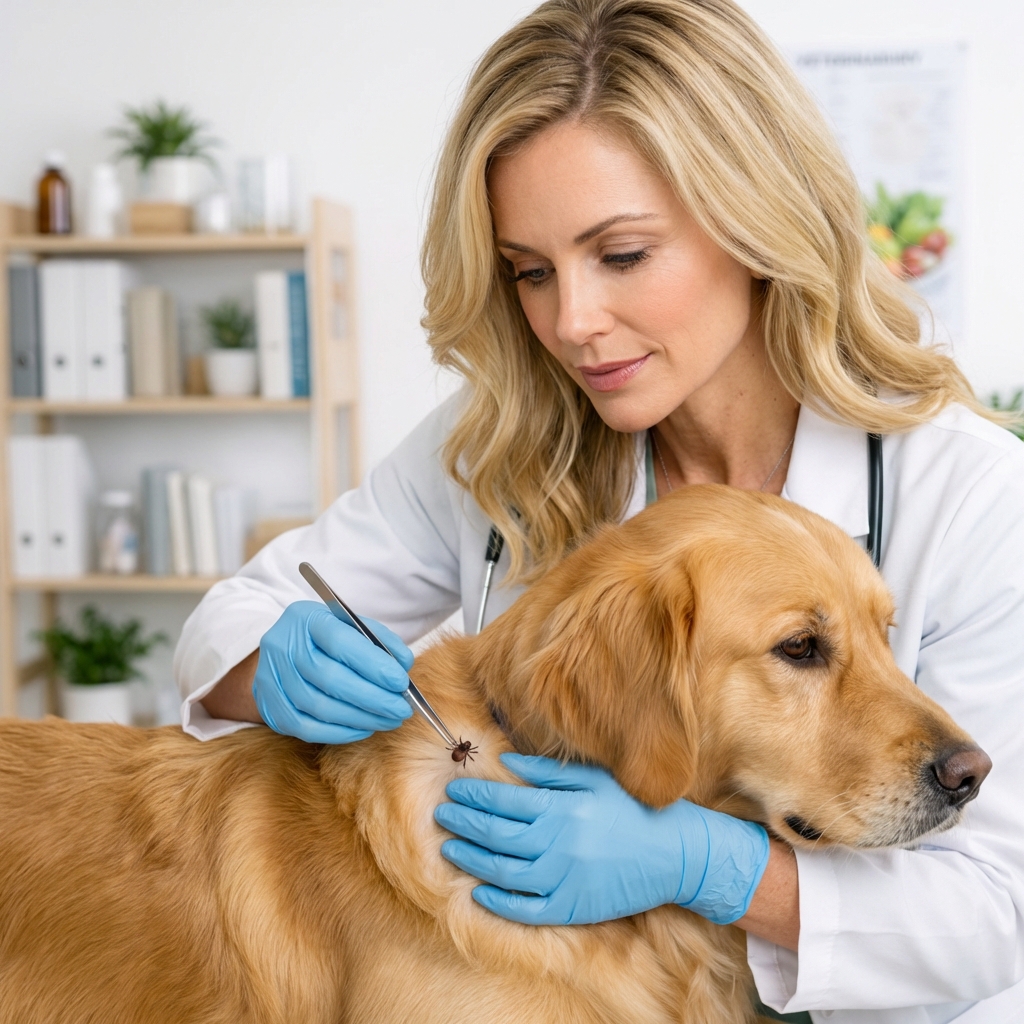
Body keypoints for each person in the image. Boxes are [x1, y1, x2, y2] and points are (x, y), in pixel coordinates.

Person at [174, 1, 1024, 1020]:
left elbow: (999, 909)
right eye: (529, 271)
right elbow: (244, 613)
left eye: (620, 255)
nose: (570, 322)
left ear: (755, 223)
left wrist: (710, 865)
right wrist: (271, 665)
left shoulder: (968, 492)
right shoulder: (499, 438)